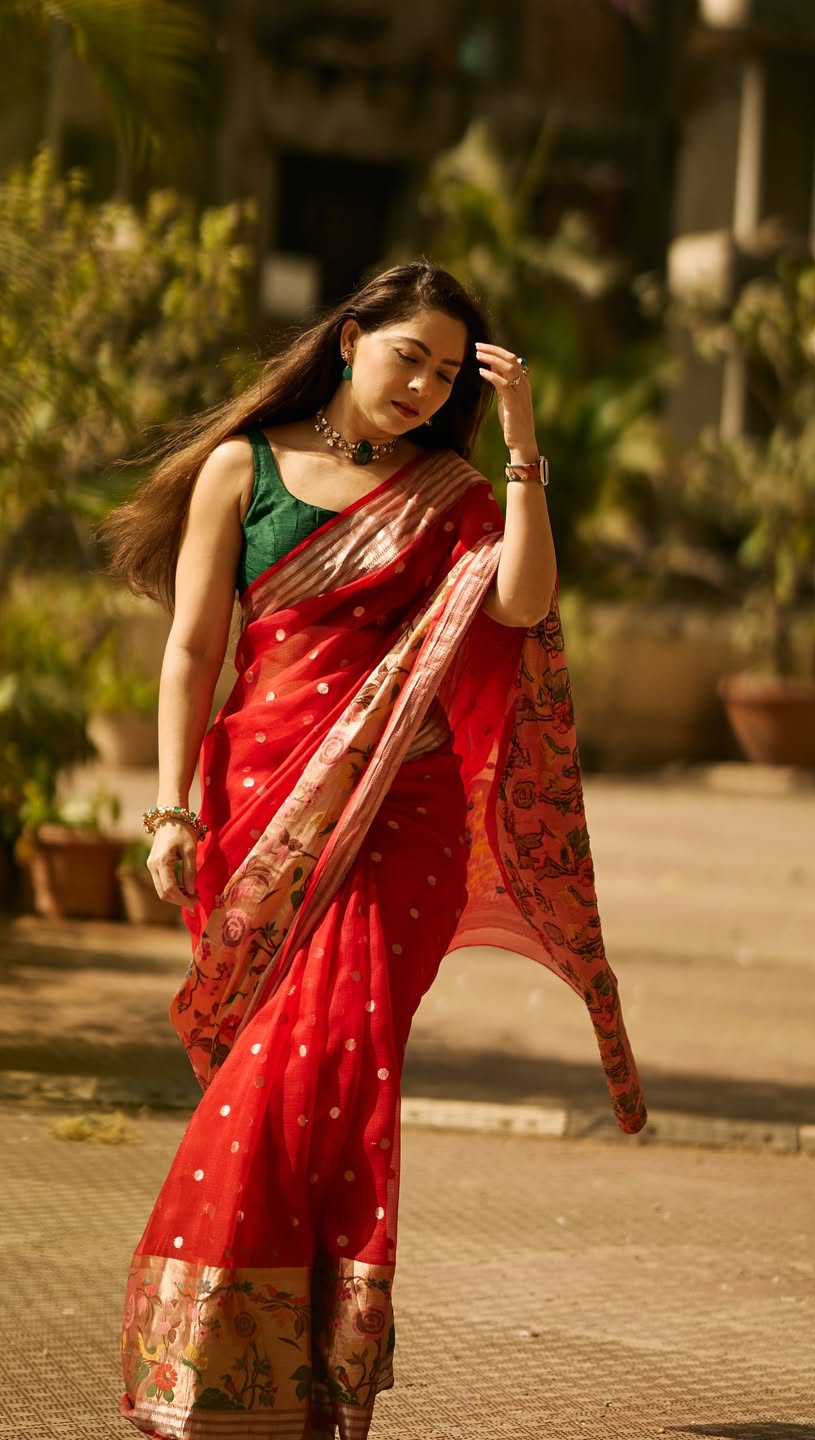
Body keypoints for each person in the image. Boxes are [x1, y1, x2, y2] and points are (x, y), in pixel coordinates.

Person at [102, 260, 646, 1440]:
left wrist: (519, 445)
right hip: (260, 807)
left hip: (405, 816)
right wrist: (170, 809)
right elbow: (194, 650)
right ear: (350, 340)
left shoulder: (449, 491)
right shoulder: (240, 470)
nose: (425, 385)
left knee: (323, 1068)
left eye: (449, 373)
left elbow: (517, 603)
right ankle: (277, 1370)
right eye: (412, 357)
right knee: (298, 1079)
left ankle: (231, 1363)